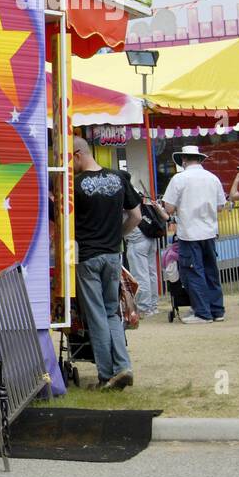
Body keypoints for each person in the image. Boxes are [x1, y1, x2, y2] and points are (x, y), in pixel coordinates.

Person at [72, 137, 141, 389]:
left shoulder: (75, 185)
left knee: (96, 316)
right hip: (114, 254)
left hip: (88, 257)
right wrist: (117, 235)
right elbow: (136, 216)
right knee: (112, 313)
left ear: (78, 154)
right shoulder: (119, 178)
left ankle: (106, 375)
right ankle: (123, 366)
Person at [161, 145, 228, 324]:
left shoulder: (179, 179)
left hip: (189, 233)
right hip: (209, 231)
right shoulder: (213, 178)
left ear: (184, 160)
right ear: (199, 159)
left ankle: (202, 313)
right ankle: (217, 310)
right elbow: (221, 206)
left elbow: (169, 207)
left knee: (193, 272)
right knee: (211, 272)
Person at [125, 184, 165, 317]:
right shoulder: (137, 190)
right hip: (150, 236)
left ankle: (144, 307)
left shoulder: (124, 193)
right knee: (151, 273)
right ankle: (153, 305)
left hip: (136, 239)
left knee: (140, 274)